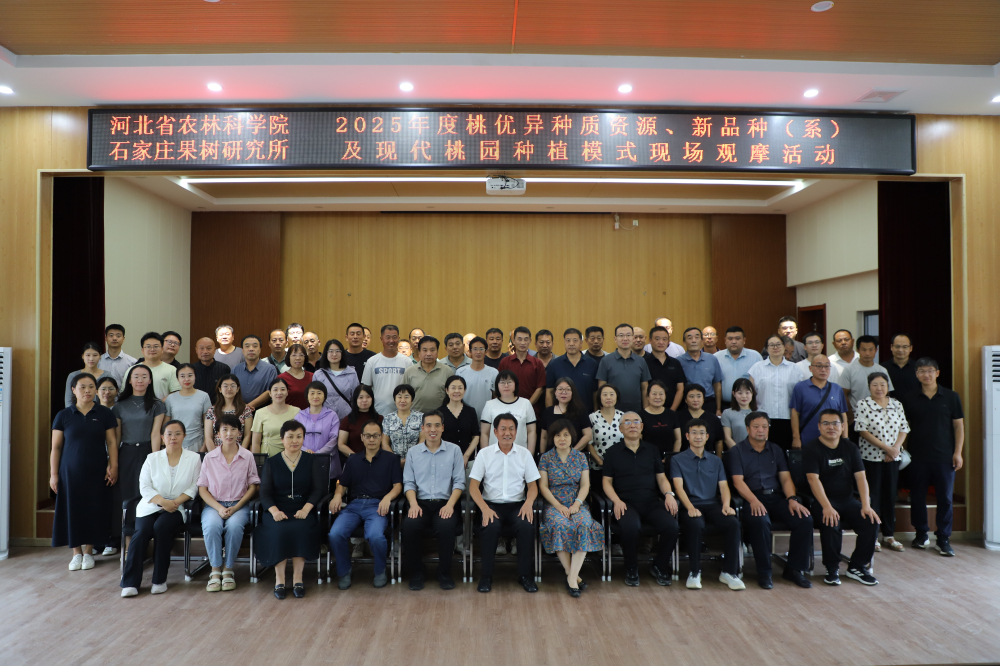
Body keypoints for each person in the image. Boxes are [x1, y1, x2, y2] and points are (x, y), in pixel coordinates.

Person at [727, 411, 813, 589]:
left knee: (804, 519)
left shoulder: (776, 449)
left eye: (764, 427)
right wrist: (753, 500)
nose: (761, 430)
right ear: (748, 429)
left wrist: (792, 499)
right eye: (756, 427)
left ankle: (794, 569)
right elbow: (737, 481)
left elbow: (785, 478)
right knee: (760, 521)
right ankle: (764, 572)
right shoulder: (737, 451)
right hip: (752, 498)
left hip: (776, 497)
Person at [119, 420, 201, 597]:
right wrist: (163, 502)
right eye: (169, 434)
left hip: (177, 507)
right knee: (141, 533)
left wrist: (175, 502)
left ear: (184, 436)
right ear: (162, 437)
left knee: (161, 527)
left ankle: (159, 580)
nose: (173, 437)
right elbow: (144, 487)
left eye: (177, 434)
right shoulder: (152, 458)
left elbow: (195, 486)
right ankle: (130, 582)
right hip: (150, 505)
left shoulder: (194, 458)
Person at [602, 411, 679, 587]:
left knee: (672, 526)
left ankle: (659, 565)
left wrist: (669, 494)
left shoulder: (652, 450)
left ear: (642, 426)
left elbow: (661, 478)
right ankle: (631, 568)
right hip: (625, 502)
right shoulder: (612, 452)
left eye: (636, 422)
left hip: (651, 502)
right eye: (627, 422)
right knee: (631, 527)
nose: (632, 425)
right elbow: (606, 482)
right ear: (621, 428)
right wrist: (616, 501)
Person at [803, 410, 880, 586]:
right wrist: (827, 507)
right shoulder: (811, 448)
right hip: (823, 502)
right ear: (819, 426)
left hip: (847, 500)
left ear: (843, 426)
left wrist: (866, 505)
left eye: (835, 423)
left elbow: (861, 477)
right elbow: (813, 479)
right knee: (831, 521)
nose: (831, 427)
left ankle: (857, 567)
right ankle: (832, 568)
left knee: (871, 521)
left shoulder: (850, 447)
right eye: (826, 423)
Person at [50, 373, 118, 571]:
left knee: (94, 509)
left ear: (96, 390)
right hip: (70, 472)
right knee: (72, 510)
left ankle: (89, 552)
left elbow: (112, 442)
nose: (87, 391)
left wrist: (113, 466)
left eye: (91, 387)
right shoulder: (63, 415)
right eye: (82, 387)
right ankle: (76, 553)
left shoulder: (104, 413)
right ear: (73, 390)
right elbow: (56, 447)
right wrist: (54, 474)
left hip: (97, 470)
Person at [469, 413, 541, 593]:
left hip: (518, 505)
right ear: (495, 432)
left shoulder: (525, 454)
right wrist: (484, 508)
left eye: (511, 429)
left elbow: (533, 486)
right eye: (503, 429)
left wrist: (528, 503)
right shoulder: (484, 454)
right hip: (491, 505)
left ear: (516, 432)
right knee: (490, 526)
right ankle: (486, 576)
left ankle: (525, 575)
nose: (507, 433)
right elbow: (473, 487)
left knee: (526, 526)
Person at [255, 420, 327, 599]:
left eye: (299, 436)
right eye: (290, 437)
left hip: (303, 509)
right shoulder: (272, 462)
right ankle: (279, 579)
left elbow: (318, 489)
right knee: (278, 530)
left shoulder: (311, 460)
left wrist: (306, 509)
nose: (295, 441)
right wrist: (274, 511)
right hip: (277, 510)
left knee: (301, 528)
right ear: (282, 439)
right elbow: (264, 493)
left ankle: (297, 578)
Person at [328, 420, 403, 589]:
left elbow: (398, 486)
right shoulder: (353, 460)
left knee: (376, 536)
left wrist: (388, 498)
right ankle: (344, 571)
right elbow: (342, 484)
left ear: (381, 437)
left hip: (378, 505)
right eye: (368, 436)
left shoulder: (391, 459)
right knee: (335, 534)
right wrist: (337, 496)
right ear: (362, 437)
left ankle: (380, 571)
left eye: (375, 436)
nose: (372, 439)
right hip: (354, 505)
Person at [900, 357, 964, 557]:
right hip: (917, 456)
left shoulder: (951, 396)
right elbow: (903, 428)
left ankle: (943, 538)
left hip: (945, 456)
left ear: (937, 373)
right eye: (921, 371)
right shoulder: (909, 398)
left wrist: (958, 452)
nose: (926, 374)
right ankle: (921, 534)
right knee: (917, 496)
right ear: (916, 374)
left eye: (929, 371)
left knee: (945, 498)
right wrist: (902, 451)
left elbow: (958, 426)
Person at [671, 419, 744, 590]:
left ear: (707, 437)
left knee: (733, 523)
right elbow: (678, 487)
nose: (698, 436)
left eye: (701, 433)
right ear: (687, 436)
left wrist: (726, 505)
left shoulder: (716, 460)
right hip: (690, 504)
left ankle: (729, 572)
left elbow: (723, 486)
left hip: (712, 504)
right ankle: (694, 572)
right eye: (694, 433)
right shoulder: (677, 459)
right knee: (696, 524)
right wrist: (690, 508)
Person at [538, 419, 604, 597]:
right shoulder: (546, 458)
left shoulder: (580, 457)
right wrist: (558, 505)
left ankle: (571, 577)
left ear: (572, 437)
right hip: (554, 503)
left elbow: (585, 485)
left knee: (584, 524)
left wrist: (577, 504)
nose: (562, 439)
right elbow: (543, 486)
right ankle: (573, 577)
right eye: (558, 435)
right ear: (552, 438)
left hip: (577, 502)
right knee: (560, 525)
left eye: (566, 435)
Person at [402, 411, 466, 590]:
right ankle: (418, 572)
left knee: (446, 528)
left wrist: (450, 505)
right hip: (420, 502)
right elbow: (409, 482)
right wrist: (413, 504)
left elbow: (459, 482)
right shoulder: (413, 452)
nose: (433, 429)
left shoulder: (454, 450)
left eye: (437, 425)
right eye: (429, 425)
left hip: (445, 502)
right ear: (422, 428)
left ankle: (444, 573)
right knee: (409, 527)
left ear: (443, 428)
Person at [197, 414, 259, 592]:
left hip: (239, 504)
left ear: (239, 433)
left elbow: (253, 486)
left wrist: (237, 507)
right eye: (224, 430)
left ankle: (228, 569)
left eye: (233, 429)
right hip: (214, 505)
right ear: (218, 434)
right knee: (211, 526)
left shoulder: (247, 456)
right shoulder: (209, 458)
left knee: (234, 527)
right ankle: (215, 570)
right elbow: (202, 489)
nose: (229, 433)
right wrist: (219, 508)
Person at [854, 372, 909, 553]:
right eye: (875, 385)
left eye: (883, 384)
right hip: (871, 458)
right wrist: (886, 448)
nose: (879, 388)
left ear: (888, 386)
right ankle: (874, 535)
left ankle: (889, 535)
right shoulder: (863, 404)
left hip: (893, 458)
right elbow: (862, 430)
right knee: (873, 496)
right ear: (869, 387)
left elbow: (904, 428)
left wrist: (895, 449)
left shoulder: (896, 404)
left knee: (890, 495)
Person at [113, 365, 166, 542]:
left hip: (147, 451)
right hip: (126, 453)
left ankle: (145, 539)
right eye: (136, 376)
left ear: (150, 380)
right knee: (126, 495)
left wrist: (155, 459)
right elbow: (117, 437)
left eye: (144, 376)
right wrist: (113, 461)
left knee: (146, 494)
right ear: (129, 380)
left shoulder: (157, 405)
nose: (140, 380)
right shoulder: (119, 405)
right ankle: (128, 542)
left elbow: (155, 433)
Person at [747, 335, 801, 450]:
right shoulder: (757, 368)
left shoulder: (795, 369)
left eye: (778, 344)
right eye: (771, 345)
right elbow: (751, 395)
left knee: (784, 453)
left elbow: (799, 397)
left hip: (788, 419)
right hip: (763, 420)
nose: (775, 347)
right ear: (766, 348)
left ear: (784, 347)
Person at [840, 335, 894, 440]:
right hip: (856, 418)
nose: (867, 353)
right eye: (864, 350)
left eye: (871, 349)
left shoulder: (882, 370)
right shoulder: (849, 369)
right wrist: (850, 415)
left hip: (878, 418)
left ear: (876, 350)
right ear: (858, 350)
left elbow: (887, 394)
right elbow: (843, 393)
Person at [790, 355, 848, 449]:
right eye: (819, 366)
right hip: (808, 439)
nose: (823, 369)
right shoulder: (800, 387)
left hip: (833, 441)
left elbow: (843, 414)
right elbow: (795, 413)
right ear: (810, 368)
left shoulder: (837, 389)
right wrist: (796, 437)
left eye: (826, 366)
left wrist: (845, 438)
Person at [597, 323, 651, 415]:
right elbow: (601, 387)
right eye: (621, 335)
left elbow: (644, 388)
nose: (625, 338)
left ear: (632, 338)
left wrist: (646, 411)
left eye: (628, 335)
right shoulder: (606, 361)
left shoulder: (641, 361)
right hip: (612, 412)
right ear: (615, 339)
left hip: (636, 411)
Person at [294, 381, 343, 482]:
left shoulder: (332, 415)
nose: (315, 396)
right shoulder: (299, 416)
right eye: (312, 393)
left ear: (324, 396)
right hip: (304, 459)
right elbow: (294, 438)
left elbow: (334, 438)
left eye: (319, 393)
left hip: (327, 460)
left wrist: (320, 453)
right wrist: (305, 450)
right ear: (307, 396)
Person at [480, 370, 537, 453]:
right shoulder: (490, 404)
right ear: (497, 385)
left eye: (509, 382)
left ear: (515, 384)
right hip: (494, 454)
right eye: (502, 382)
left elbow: (531, 432)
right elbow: (485, 433)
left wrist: (529, 455)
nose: (506, 385)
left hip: (520, 454)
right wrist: (486, 455)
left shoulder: (526, 403)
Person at [361, 325, 412, 416]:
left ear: (398, 339)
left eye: (394, 337)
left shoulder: (407, 362)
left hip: (402, 413)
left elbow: (411, 388)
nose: (391, 341)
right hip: (377, 412)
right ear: (381, 339)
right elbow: (366, 388)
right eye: (388, 337)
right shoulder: (372, 361)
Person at [545, 328, 599, 413]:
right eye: (568, 340)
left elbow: (595, 392)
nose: (571, 344)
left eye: (575, 340)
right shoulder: (554, 364)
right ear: (564, 342)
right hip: (561, 414)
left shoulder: (592, 364)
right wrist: (551, 414)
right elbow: (549, 391)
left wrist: (596, 413)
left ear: (581, 343)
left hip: (586, 414)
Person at [499, 326, 547, 418]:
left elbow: (540, 388)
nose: (522, 343)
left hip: (531, 410)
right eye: (519, 339)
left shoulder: (537, 363)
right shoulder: (505, 362)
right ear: (513, 340)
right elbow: (500, 385)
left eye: (526, 339)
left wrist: (526, 405)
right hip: (507, 410)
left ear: (530, 341)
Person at [164, 364, 212, 452]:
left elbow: (208, 424)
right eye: (182, 376)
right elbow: (166, 424)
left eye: (190, 375)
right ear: (177, 378)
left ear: (195, 377)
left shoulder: (204, 396)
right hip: (174, 442)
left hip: (197, 442)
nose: (187, 379)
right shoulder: (170, 398)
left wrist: (204, 445)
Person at [677, 328, 724, 416]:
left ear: (702, 341)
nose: (694, 340)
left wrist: (718, 408)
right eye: (690, 338)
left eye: (697, 337)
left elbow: (717, 385)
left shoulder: (712, 359)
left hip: (708, 402)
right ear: (684, 342)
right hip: (687, 403)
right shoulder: (678, 361)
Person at [714, 326, 763, 409]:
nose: (734, 342)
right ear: (725, 340)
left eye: (737, 338)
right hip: (723, 405)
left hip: (748, 405)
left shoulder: (755, 356)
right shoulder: (716, 357)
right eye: (730, 339)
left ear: (744, 340)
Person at [540, 378, 593, 453]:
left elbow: (588, 435)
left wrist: (571, 453)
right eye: (560, 389)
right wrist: (542, 455)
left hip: (574, 456)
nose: (563, 392)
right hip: (551, 457)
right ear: (555, 392)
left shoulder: (580, 411)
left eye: (568, 389)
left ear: (573, 392)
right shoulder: (548, 412)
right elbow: (544, 437)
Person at [251, 378, 301, 456]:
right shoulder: (260, 413)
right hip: (267, 456)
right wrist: (257, 461)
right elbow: (256, 442)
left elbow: (300, 437)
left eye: (283, 389)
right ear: (270, 393)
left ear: (287, 392)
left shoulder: (296, 411)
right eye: (275, 390)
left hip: (290, 456)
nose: (279, 393)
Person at [313, 338, 359, 421]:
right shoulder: (319, 374)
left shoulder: (351, 373)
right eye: (331, 351)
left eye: (337, 351)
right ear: (326, 354)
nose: (334, 354)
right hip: (324, 419)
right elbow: (314, 399)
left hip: (347, 419)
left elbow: (356, 398)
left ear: (342, 353)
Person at [643, 325, 686, 411]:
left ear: (668, 342)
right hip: (651, 410)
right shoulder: (644, 362)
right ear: (650, 341)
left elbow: (680, 389)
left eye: (664, 339)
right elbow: (644, 389)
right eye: (657, 339)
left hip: (673, 410)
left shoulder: (675, 362)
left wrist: (672, 411)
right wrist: (647, 411)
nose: (661, 342)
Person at [440, 376, 481, 467]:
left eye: (460, 388)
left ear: (464, 390)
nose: (457, 391)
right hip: (444, 460)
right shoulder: (439, 413)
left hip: (468, 461)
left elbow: (476, 436)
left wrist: (466, 456)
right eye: (453, 388)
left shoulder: (470, 411)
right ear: (447, 390)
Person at [205, 374, 254, 449]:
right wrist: (214, 454)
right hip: (216, 451)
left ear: (237, 389)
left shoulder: (245, 409)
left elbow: (247, 435)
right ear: (220, 389)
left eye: (233, 386)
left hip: (237, 450)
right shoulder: (212, 410)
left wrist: (241, 453)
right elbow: (208, 437)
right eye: (225, 386)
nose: (229, 388)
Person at [403, 336, 449, 413]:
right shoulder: (409, 371)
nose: (428, 354)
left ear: (437, 352)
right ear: (419, 352)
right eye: (425, 350)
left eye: (432, 350)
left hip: (440, 416)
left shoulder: (447, 371)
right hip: (415, 416)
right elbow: (403, 395)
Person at [674, 384, 724, 455]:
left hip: (708, 458)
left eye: (699, 396)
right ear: (685, 400)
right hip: (684, 458)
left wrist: (719, 459)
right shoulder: (677, 417)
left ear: (703, 399)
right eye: (691, 396)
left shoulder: (713, 418)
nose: (695, 400)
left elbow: (719, 441)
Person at [456, 336, 498, 419]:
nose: (478, 352)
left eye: (481, 349)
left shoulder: (493, 372)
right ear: (470, 352)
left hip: (487, 416)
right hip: (465, 416)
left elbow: (495, 396)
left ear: (486, 351)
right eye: (475, 349)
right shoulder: (460, 372)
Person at [232, 335, 278, 409]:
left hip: (262, 411)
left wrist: (248, 407)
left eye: (255, 346)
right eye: (247, 346)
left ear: (260, 349)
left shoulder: (270, 369)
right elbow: (231, 389)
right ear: (242, 350)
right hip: (238, 410)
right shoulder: (235, 369)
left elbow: (269, 391)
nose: (251, 349)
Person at [639, 380, 681, 461]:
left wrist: (672, 457)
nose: (658, 397)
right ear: (647, 396)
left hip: (669, 460)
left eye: (661, 394)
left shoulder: (672, 414)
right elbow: (638, 441)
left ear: (665, 396)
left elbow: (678, 439)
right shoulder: (641, 415)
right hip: (648, 459)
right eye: (654, 394)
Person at [382, 384, 423, 465]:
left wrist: (410, 459)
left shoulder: (421, 417)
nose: (403, 400)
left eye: (406, 397)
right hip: (393, 463)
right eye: (399, 397)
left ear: (412, 400)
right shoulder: (388, 418)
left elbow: (423, 440)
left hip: (416, 461)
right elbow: (384, 443)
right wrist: (396, 461)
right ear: (395, 400)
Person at [588, 384, 623, 479]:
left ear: (617, 397)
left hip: (621, 466)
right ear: (599, 398)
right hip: (598, 466)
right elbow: (588, 443)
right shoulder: (592, 417)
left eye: (611, 394)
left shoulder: (623, 417)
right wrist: (600, 462)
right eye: (605, 394)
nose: (608, 397)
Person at [338, 384, 382, 458]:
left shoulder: (380, 419)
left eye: (368, 397)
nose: (364, 400)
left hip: (377, 460)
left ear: (372, 399)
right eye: (361, 397)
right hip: (354, 460)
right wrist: (357, 458)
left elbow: (384, 443)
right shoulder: (347, 420)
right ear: (355, 399)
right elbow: (341, 444)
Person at [136, 332, 180, 400]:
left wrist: (159, 405)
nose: (152, 349)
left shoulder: (173, 369)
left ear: (162, 349)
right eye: (148, 346)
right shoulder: (133, 369)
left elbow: (176, 393)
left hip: (163, 406)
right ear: (142, 350)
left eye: (156, 346)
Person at [64, 342, 108, 407]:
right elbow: (68, 401)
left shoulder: (107, 375)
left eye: (95, 355)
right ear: (82, 356)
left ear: (100, 356)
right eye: (88, 355)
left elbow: (111, 399)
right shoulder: (73, 376)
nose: (91, 359)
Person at [721, 378, 757, 451]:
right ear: (734, 394)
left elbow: (764, 437)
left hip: (757, 452)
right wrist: (739, 452)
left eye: (747, 393)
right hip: (737, 452)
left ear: (752, 393)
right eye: (740, 393)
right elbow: (727, 438)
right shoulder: (727, 413)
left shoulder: (759, 412)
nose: (744, 396)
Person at [192, 337, 230, 403]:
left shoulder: (224, 368)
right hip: (195, 406)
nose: (205, 352)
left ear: (214, 350)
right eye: (201, 348)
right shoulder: (191, 369)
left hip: (218, 407)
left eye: (209, 348)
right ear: (196, 350)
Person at [278, 343, 314, 410]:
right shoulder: (281, 378)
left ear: (305, 357)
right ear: (288, 357)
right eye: (294, 355)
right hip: (289, 414)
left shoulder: (312, 376)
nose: (298, 358)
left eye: (301, 355)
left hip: (309, 414)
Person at [886, 333, 920, 398]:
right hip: (890, 404)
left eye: (905, 347)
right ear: (891, 347)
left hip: (914, 404)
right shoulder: (883, 368)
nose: (900, 350)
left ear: (911, 348)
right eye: (897, 346)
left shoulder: (919, 368)